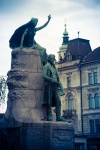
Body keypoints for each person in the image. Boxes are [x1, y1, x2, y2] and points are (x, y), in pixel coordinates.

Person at [42, 54, 66, 122]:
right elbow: (43, 75)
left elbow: (57, 78)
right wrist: (51, 79)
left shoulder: (55, 67)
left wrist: (60, 86)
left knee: (58, 101)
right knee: (49, 100)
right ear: (49, 59)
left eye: (54, 58)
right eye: (52, 58)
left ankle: (58, 116)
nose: (53, 59)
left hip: (55, 85)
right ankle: (49, 114)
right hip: (49, 85)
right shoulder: (46, 66)